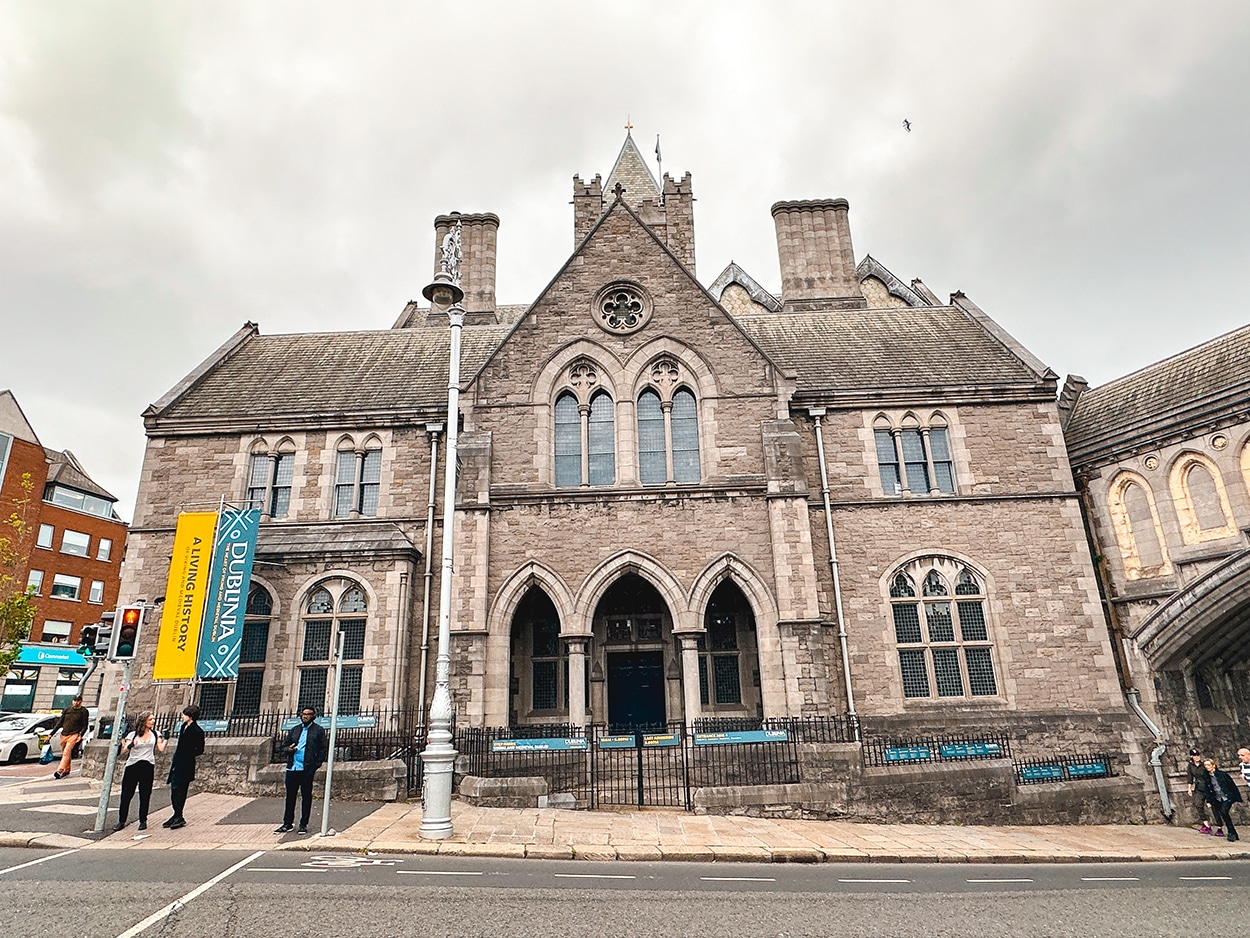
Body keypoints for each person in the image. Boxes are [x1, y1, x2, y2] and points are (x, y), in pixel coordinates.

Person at [276, 707, 328, 835]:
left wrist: (316, 765)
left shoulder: (318, 731)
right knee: (290, 797)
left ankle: (303, 824)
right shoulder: (295, 730)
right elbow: (283, 747)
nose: (305, 717)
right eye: (304, 714)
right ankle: (287, 823)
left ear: (313, 716)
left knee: (306, 796)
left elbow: (323, 749)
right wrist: (289, 749)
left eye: (308, 714)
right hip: (292, 767)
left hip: (306, 768)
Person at [115, 713, 167, 832]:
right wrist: (131, 745)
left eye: (154, 719)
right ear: (143, 721)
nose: (153, 721)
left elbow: (161, 748)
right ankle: (121, 821)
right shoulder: (133, 735)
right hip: (133, 765)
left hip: (148, 765)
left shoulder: (155, 734)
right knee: (126, 795)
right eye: (150, 719)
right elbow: (124, 750)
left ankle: (143, 821)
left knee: (145, 794)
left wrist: (166, 738)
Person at [163, 704, 205, 830]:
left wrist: (188, 753)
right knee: (174, 790)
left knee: (181, 790)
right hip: (177, 762)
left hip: (186, 764)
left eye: (184, 714)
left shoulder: (197, 731)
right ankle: (176, 814)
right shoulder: (183, 727)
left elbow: (200, 750)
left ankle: (179, 816)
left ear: (190, 716)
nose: (182, 716)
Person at [50, 694, 89, 779]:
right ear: (72, 701)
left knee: (66, 752)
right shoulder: (67, 709)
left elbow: (85, 725)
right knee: (65, 752)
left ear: (81, 701)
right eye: (75, 700)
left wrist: (80, 735)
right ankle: (67, 770)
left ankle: (59, 770)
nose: (76, 702)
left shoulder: (84, 711)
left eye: (78, 701)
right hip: (64, 734)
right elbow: (60, 722)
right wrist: (51, 734)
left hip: (74, 734)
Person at [1202, 757, 1241, 842]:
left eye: (1208, 765)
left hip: (1227, 796)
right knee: (1223, 814)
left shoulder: (1222, 774)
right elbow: (1207, 790)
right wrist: (1208, 801)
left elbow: (1231, 785)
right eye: (1205, 765)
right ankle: (1233, 833)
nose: (1207, 767)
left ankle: (1231, 833)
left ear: (1213, 765)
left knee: (1224, 812)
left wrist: (1236, 797)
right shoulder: (1206, 777)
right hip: (1217, 798)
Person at [1186, 748, 1213, 833]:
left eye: (1198, 755)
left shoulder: (1204, 765)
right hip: (1198, 787)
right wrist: (1189, 788)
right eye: (1195, 756)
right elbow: (1190, 777)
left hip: (1207, 786)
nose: (1197, 757)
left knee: (1211, 805)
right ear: (1191, 757)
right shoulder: (1191, 766)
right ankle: (1206, 824)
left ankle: (1218, 825)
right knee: (1198, 804)